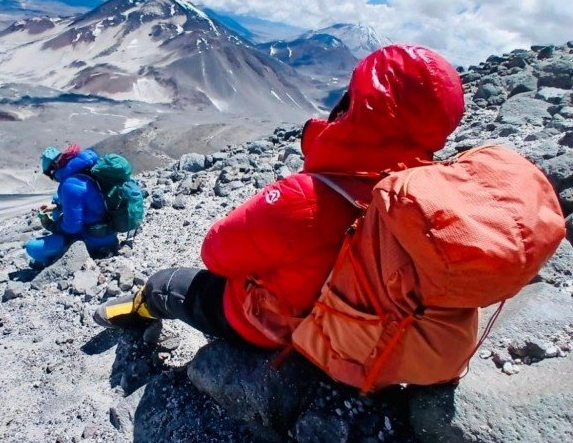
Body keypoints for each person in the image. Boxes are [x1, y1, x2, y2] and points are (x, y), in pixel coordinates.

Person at [93, 44, 465, 350]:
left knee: (165, 283)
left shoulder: (309, 197)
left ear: (355, 106)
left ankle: (138, 311)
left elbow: (215, 254)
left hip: (274, 328)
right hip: (366, 332)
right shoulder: (423, 191)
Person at [25, 144, 119, 269]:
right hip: (109, 232)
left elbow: (72, 227)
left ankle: (54, 262)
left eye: (49, 174)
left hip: (94, 238)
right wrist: (55, 206)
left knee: (32, 247)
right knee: (57, 200)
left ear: (53, 169)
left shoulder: (70, 184)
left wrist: (51, 225)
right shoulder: (86, 170)